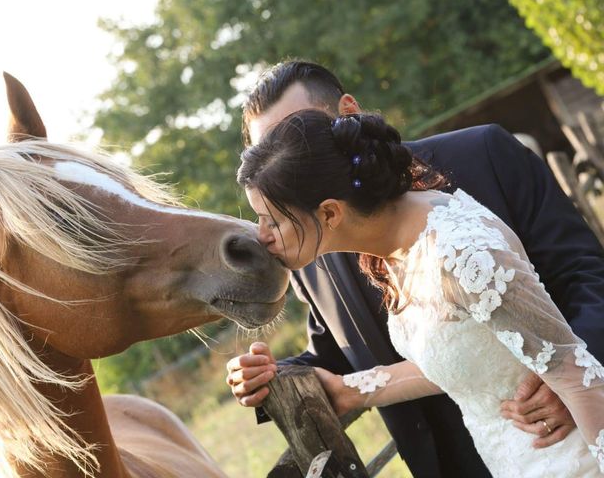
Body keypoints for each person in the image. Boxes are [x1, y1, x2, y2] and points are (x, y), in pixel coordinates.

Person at [226, 61, 604, 477]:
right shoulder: (312, 250)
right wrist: (271, 377)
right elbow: (349, 356)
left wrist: (570, 377)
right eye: (270, 149)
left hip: (568, 443)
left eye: (293, 139)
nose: (282, 160)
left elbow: (584, 274)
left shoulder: (478, 169)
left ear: (347, 114)